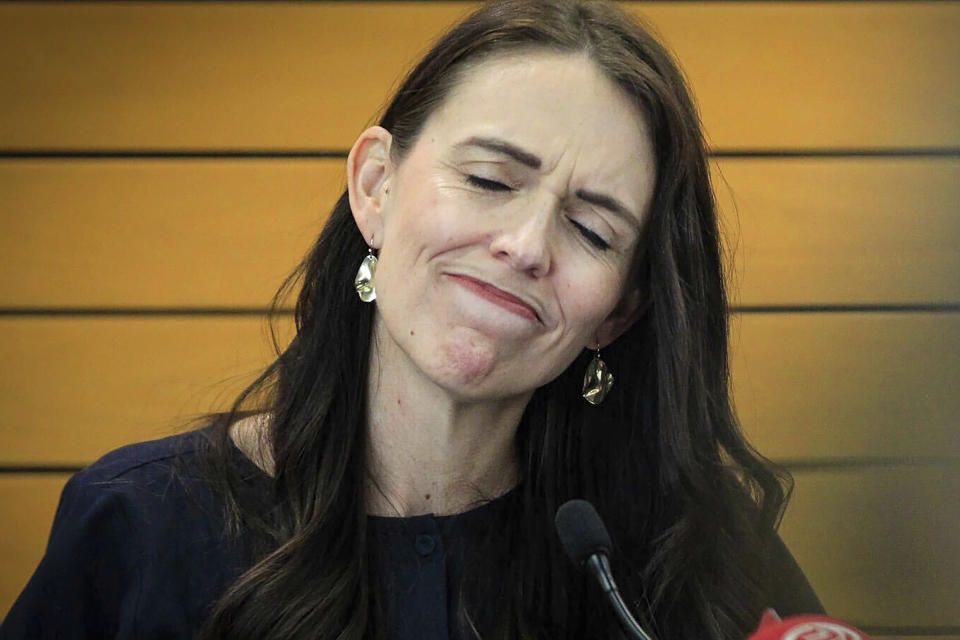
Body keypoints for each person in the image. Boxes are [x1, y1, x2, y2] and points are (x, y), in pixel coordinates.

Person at [1, 1, 824, 638]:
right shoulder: (139, 527)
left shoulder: (697, 555)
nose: (526, 245)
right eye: (492, 181)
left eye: (593, 229)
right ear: (375, 188)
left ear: (619, 313)